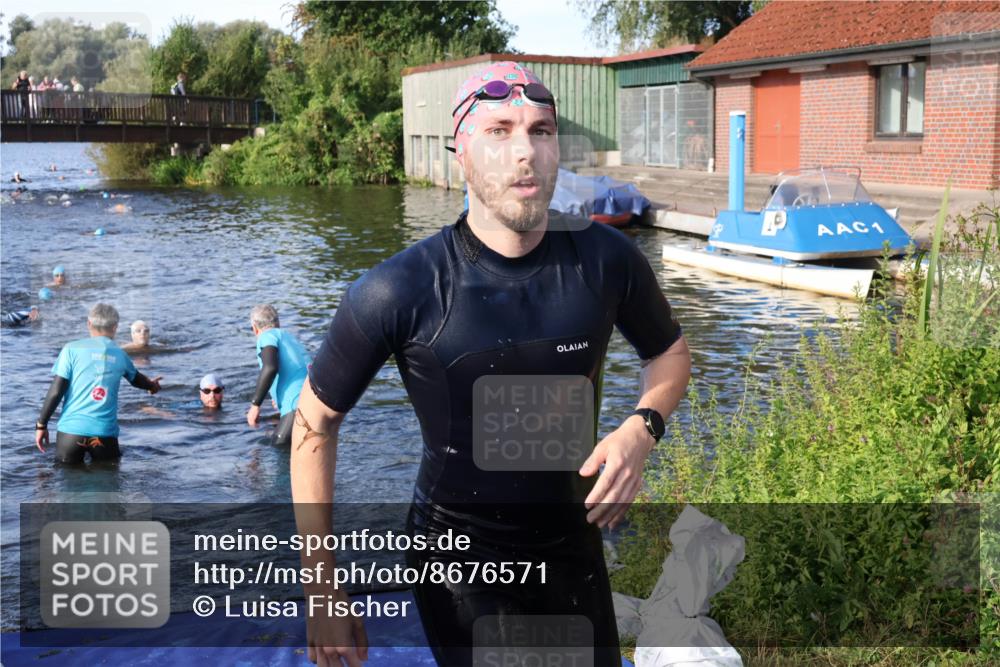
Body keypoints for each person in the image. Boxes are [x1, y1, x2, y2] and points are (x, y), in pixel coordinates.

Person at [292, 61, 691, 666]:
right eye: (499, 131)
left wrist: (643, 427)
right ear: (463, 154)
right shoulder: (400, 289)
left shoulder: (607, 260)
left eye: (541, 130)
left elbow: (669, 354)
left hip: (570, 544)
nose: (524, 152)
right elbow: (314, 424)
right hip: (456, 556)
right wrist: (322, 587)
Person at [35, 303, 162, 464]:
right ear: (115, 327)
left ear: (89, 323)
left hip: (71, 433)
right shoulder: (120, 354)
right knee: (107, 478)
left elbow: (56, 391)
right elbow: (137, 379)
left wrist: (41, 425)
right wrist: (152, 386)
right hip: (104, 434)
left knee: (66, 478)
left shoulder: (71, 349)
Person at [247, 304, 311, 447]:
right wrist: (278, 397)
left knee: (279, 448)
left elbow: (270, 367)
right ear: (278, 323)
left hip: (296, 403)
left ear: (255, 328)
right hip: (315, 399)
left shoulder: (266, 337)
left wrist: (255, 405)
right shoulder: (289, 337)